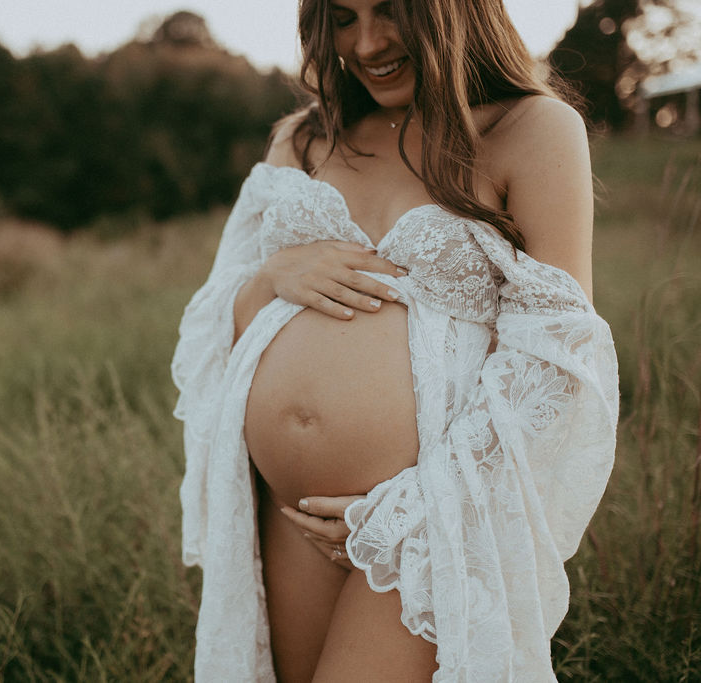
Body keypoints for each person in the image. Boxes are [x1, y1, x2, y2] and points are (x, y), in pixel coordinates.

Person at [171, 0, 619, 680]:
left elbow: (554, 360)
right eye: (344, 18)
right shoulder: (306, 138)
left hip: (434, 523)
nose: (367, 42)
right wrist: (269, 276)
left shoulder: (531, 129)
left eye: (390, 12)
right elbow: (214, 318)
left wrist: (413, 512)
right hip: (292, 514)